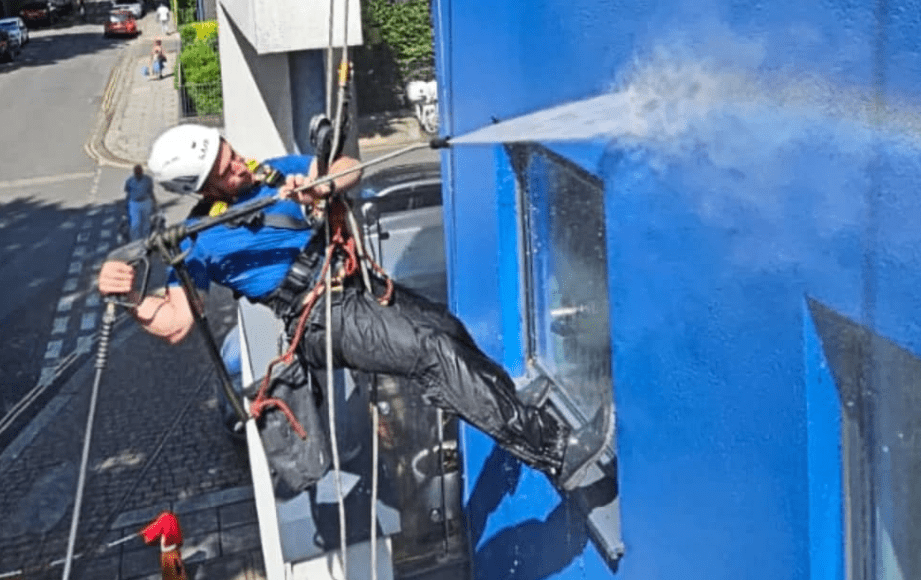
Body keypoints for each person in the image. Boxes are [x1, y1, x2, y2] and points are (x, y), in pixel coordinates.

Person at [97, 125, 608, 493]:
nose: (239, 166)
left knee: (445, 327)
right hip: (319, 319)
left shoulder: (275, 174)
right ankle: (556, 451)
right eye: (225, 172)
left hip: (355, 285)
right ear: (203, 189)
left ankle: (508, 399)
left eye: (231, 152)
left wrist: (324, 185)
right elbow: (177, 322)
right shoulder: (201, 240)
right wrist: (133, 299)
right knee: (430, 350)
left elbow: (345, 169)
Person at [123, 164, 156, 242]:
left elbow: (151, 192)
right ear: (134, 173)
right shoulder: (130, 180)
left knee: (146, 224)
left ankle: (146, 241)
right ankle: (135, 242)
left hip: (146, 202)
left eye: (139, 172)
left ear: (142, 172)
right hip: (134, 204)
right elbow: (127, 192)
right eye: (136, 173)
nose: (138, 175)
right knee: (135, 224)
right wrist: (125, 205)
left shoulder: (148, 179)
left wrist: (155, 203)